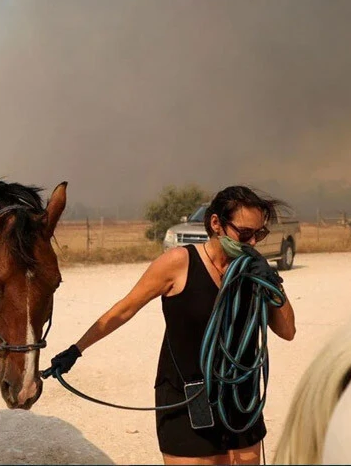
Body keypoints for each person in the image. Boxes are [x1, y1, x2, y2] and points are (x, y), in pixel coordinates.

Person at [45, 186, 296, 465]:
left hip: (240, 396)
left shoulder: (253, 272)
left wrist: (273, 284)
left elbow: (288, 332)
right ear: (216, 224)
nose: (252, 243)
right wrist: (76, 350)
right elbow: (125, 308)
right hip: (189, 396)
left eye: (259, 234)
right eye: (245, 233)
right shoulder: (179, 263)